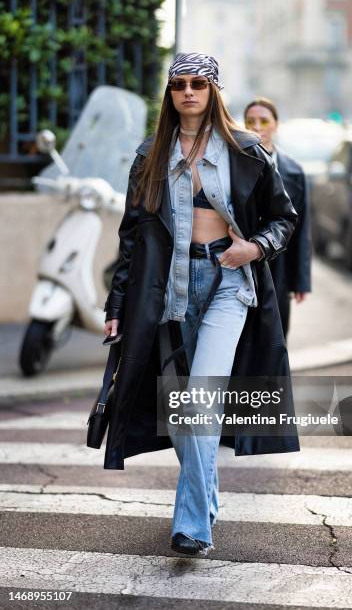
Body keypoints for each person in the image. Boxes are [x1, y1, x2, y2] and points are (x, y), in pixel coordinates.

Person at [102, 53, 300, 557]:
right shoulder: (151, 155)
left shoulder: (247, 150)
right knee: (180, 414)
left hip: (229, 281)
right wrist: (116, 304)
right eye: (178, 84)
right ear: (169, 94)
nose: (188, 92)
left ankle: (191, 526)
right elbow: (132, 238)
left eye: (198, 83)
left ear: (214, 91)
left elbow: (283, 219)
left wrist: (253, 249)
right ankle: (206, 494)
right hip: (170, 287)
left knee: (202, 402)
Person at [244, 98, 312, 337]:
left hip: (280, 268)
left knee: (277, 335)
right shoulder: (233, 164)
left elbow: (302, 228)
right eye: (250, 121)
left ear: (276, 125)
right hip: (243, 263)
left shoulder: (294, 171)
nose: (257, 126)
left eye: (264, 121)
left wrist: (301, 280)